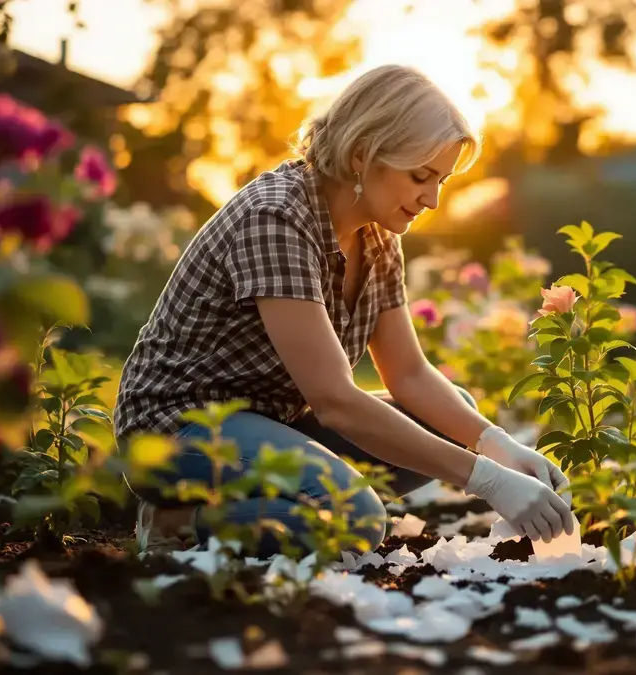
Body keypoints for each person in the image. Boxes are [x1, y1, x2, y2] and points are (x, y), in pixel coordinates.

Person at [112, 64, 574, 558]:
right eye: (421, 176)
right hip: (177, 428)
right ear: (361, 155)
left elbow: (411, 374)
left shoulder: (377, 235)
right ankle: (178, 520)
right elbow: (333, 399)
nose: (434, 199)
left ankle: (258, 501)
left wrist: (496, 444)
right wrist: (488, 481)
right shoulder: (277, 218)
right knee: (352, 520)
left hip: (270, 422)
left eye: (441, 180)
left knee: (452, 414)